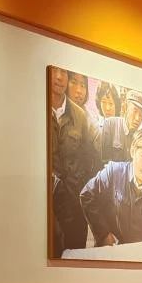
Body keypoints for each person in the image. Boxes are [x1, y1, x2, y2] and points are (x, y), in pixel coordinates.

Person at [79, 129, 142, 257]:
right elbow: (87, 194)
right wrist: (103, 234)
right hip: (110, 251)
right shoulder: (113, 172)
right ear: (132, 152)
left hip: (138, 255)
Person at [48, 67, 101, 255]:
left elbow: (90, 159)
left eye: (64, 72)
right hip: (47, 205)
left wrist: (82, 193)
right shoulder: (36, 108)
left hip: (73, 206)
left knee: (75, 255)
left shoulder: (80, 116)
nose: (59, 77)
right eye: (55, 71)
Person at [98, 89, 142, 164]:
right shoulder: (110, 124)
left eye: (141, 115)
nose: (137, 118)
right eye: (135, 111)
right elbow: (102, 162)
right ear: (125, 108)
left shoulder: (139, 138)